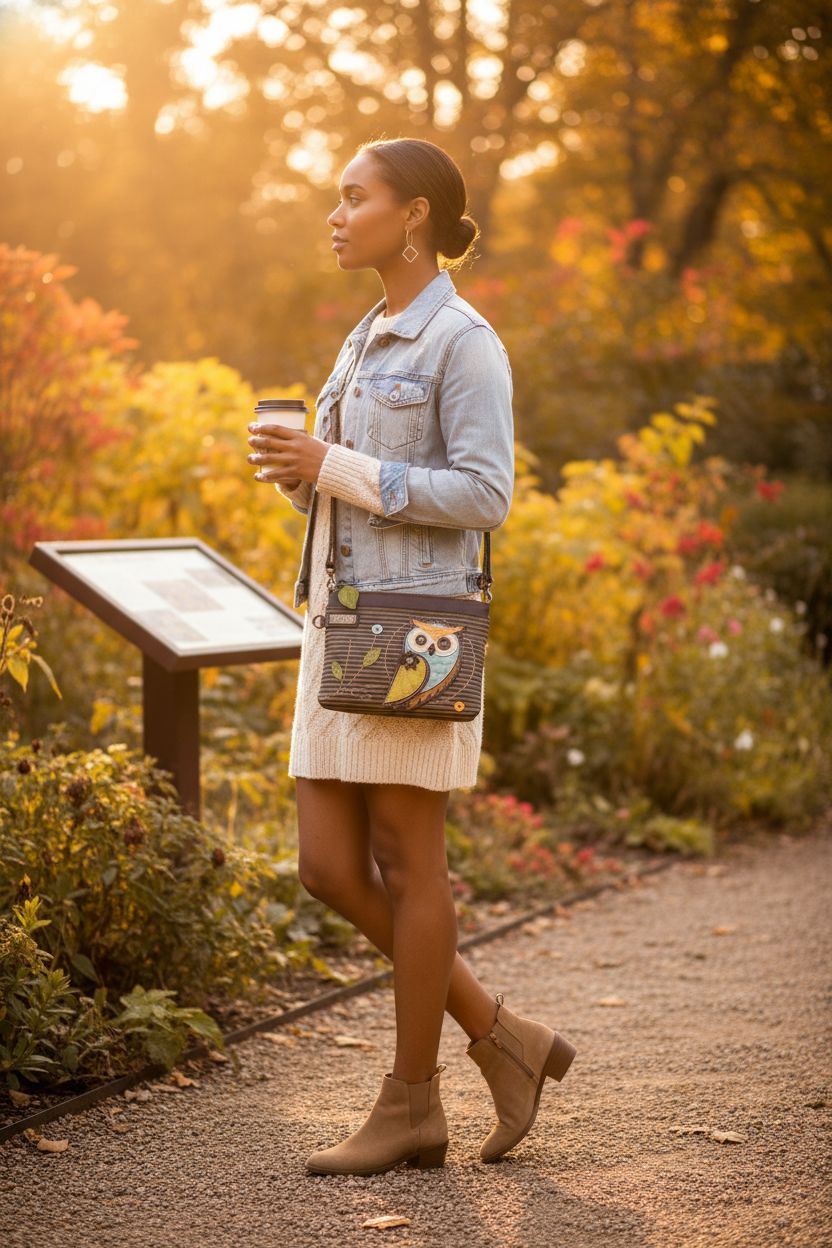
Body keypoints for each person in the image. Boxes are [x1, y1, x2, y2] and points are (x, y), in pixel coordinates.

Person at [247, 137, 576, 1176]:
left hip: (413, 634)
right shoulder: (363, 334)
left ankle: (410, 1104)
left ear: (416, 214)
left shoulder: (461, 341)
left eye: (356, 197)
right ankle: (501, 1035)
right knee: (326, 866)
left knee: (406, 861)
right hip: (339, 625)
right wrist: (300, 475)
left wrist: (336, 462)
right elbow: (355, 486)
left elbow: (486, 495)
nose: (336, 215)